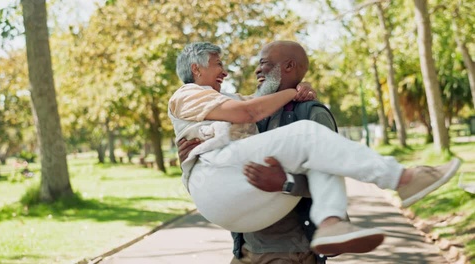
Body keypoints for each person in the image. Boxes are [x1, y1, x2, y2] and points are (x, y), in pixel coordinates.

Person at [169, 41, 461, 257]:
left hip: (284, 244)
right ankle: (403, 179)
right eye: (219, 64)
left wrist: (285, 182)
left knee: (316, 143)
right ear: (197, 68)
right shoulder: (190, 94)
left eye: (264, 63)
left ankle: (332, 223)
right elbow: (249, 111)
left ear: (289, 68)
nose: (229, 70)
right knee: (309, 136)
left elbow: (249, 106)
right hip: (231, 206)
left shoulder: (302, 109)